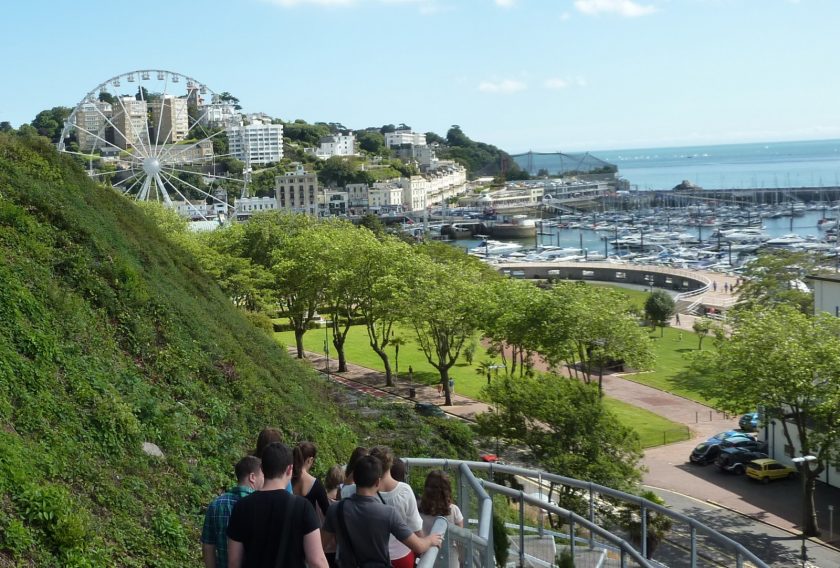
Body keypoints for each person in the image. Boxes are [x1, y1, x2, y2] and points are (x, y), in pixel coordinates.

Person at [322, 456, 442, 568]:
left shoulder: (336, 509)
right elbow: (419, 546)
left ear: (355, 479)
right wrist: (431, 539)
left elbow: (321, 545)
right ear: (377, 482)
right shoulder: (388, 513)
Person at [227, 442, 328, 568]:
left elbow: (234, 562)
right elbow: (317, 561)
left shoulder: (241, 507)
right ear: (290, 469)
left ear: (262, 469)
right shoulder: (302, 507)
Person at [201, 456, 264, 568]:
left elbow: (208, 546)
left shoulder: (216, 504)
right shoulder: (261, 505)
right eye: (263, 475)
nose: (265, 480)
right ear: (252, 477)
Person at [369, 446, 424, 568]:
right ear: (391, 463)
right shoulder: (405, 491)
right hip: (401, 557)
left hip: (371, 558)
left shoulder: (362, 490)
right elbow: (416, 528)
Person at [418, 470, 463, 568]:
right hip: (451, 560)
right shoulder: (454, 510)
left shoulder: (418, 509)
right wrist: (462, 559)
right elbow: (460, 540)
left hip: (427, 558)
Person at [293, 441, 331, 520]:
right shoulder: (316, 484)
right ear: (310, 460)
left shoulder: (286, 479)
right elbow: (328, 512)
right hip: (309, 528)